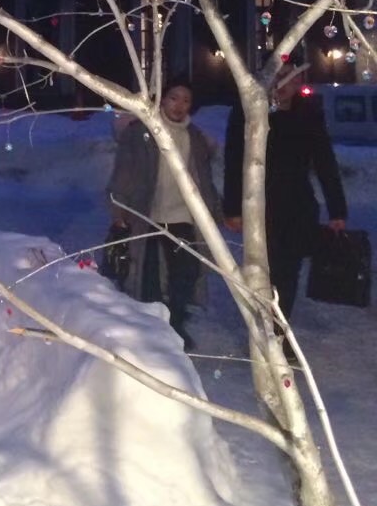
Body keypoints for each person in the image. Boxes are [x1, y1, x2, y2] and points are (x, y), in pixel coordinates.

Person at [223, 63, 346, 330]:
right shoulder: (248, 112)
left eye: (291, 76)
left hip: (297, 207)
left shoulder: (308, 114)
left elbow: (325, 162)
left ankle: (277, 331)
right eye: (278, 75)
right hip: (258, 206)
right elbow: (233, 161)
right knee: (262, 272)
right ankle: (263, 329)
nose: (284, 82)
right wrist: (232, 207)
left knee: (288, 273)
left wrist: (337, 210)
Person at [106, 80, 222, 350]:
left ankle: (176, 323)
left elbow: (205, 179)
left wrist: (216, 210)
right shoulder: (143, 133)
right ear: (162, 100)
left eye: (185, 100)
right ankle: (152, 329)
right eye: (173, 98)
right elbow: (124, 173)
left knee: (186, 273)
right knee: (146, 274)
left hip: (182, 217)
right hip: (147, 215)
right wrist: (119, 211)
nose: (179, 105)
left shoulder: (195, 138)